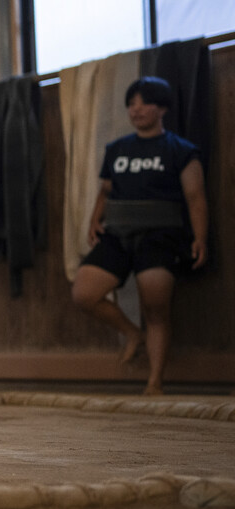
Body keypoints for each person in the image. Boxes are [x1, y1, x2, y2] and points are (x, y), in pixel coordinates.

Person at [70, 77, 207, 396]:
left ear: (162, 108)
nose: (136, 109)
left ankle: (154, 382)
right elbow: (105, 191)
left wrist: (200, 237)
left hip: (161, 236)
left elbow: (196, 197)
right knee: (84, 293)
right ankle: (133, 334)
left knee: (156, 305)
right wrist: (94, 220)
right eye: (132, 104)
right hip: (117, 233)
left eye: (144, 102)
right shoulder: (117, 149)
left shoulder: (182, 151)